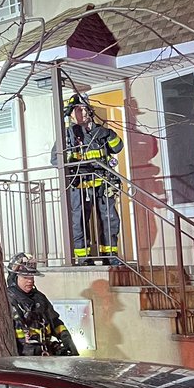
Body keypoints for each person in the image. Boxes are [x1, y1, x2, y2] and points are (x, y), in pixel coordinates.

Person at [55, 94, 124, 264]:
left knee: (110, 218)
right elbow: (55, 160)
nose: (84, 112)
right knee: (79, 221)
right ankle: (83, 257)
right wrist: (73, 164)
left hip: (103, 183)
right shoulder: (67, 135)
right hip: (80, 185)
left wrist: (109, 134)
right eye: (79, 110)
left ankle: (110, 255)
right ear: (71, 114)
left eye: (86, 109)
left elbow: (117, 147)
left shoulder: (101, 132)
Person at [7, 253, 78, 356]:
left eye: (32, 277)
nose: (30, 281)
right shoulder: (7, 300)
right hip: (23, 358)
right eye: (25, 277)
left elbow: (54, 321)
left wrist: (65, 336)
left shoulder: (39, 298)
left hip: (45, 355)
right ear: (14, 278)